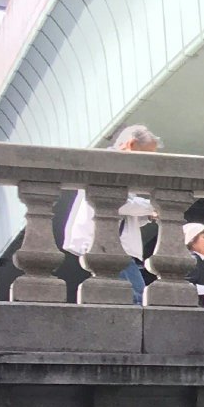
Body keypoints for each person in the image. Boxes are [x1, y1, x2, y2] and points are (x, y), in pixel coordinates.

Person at [61, 124, 162, 300]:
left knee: (129, 297)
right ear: (130, 144)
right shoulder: (106, 165)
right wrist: (153, 205)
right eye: (147, 154)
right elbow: (116, 202)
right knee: (135, 298)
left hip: (114, 245)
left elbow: (123, 212)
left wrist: (146, 214)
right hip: (110, 246)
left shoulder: (117, 167)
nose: (148, 161)